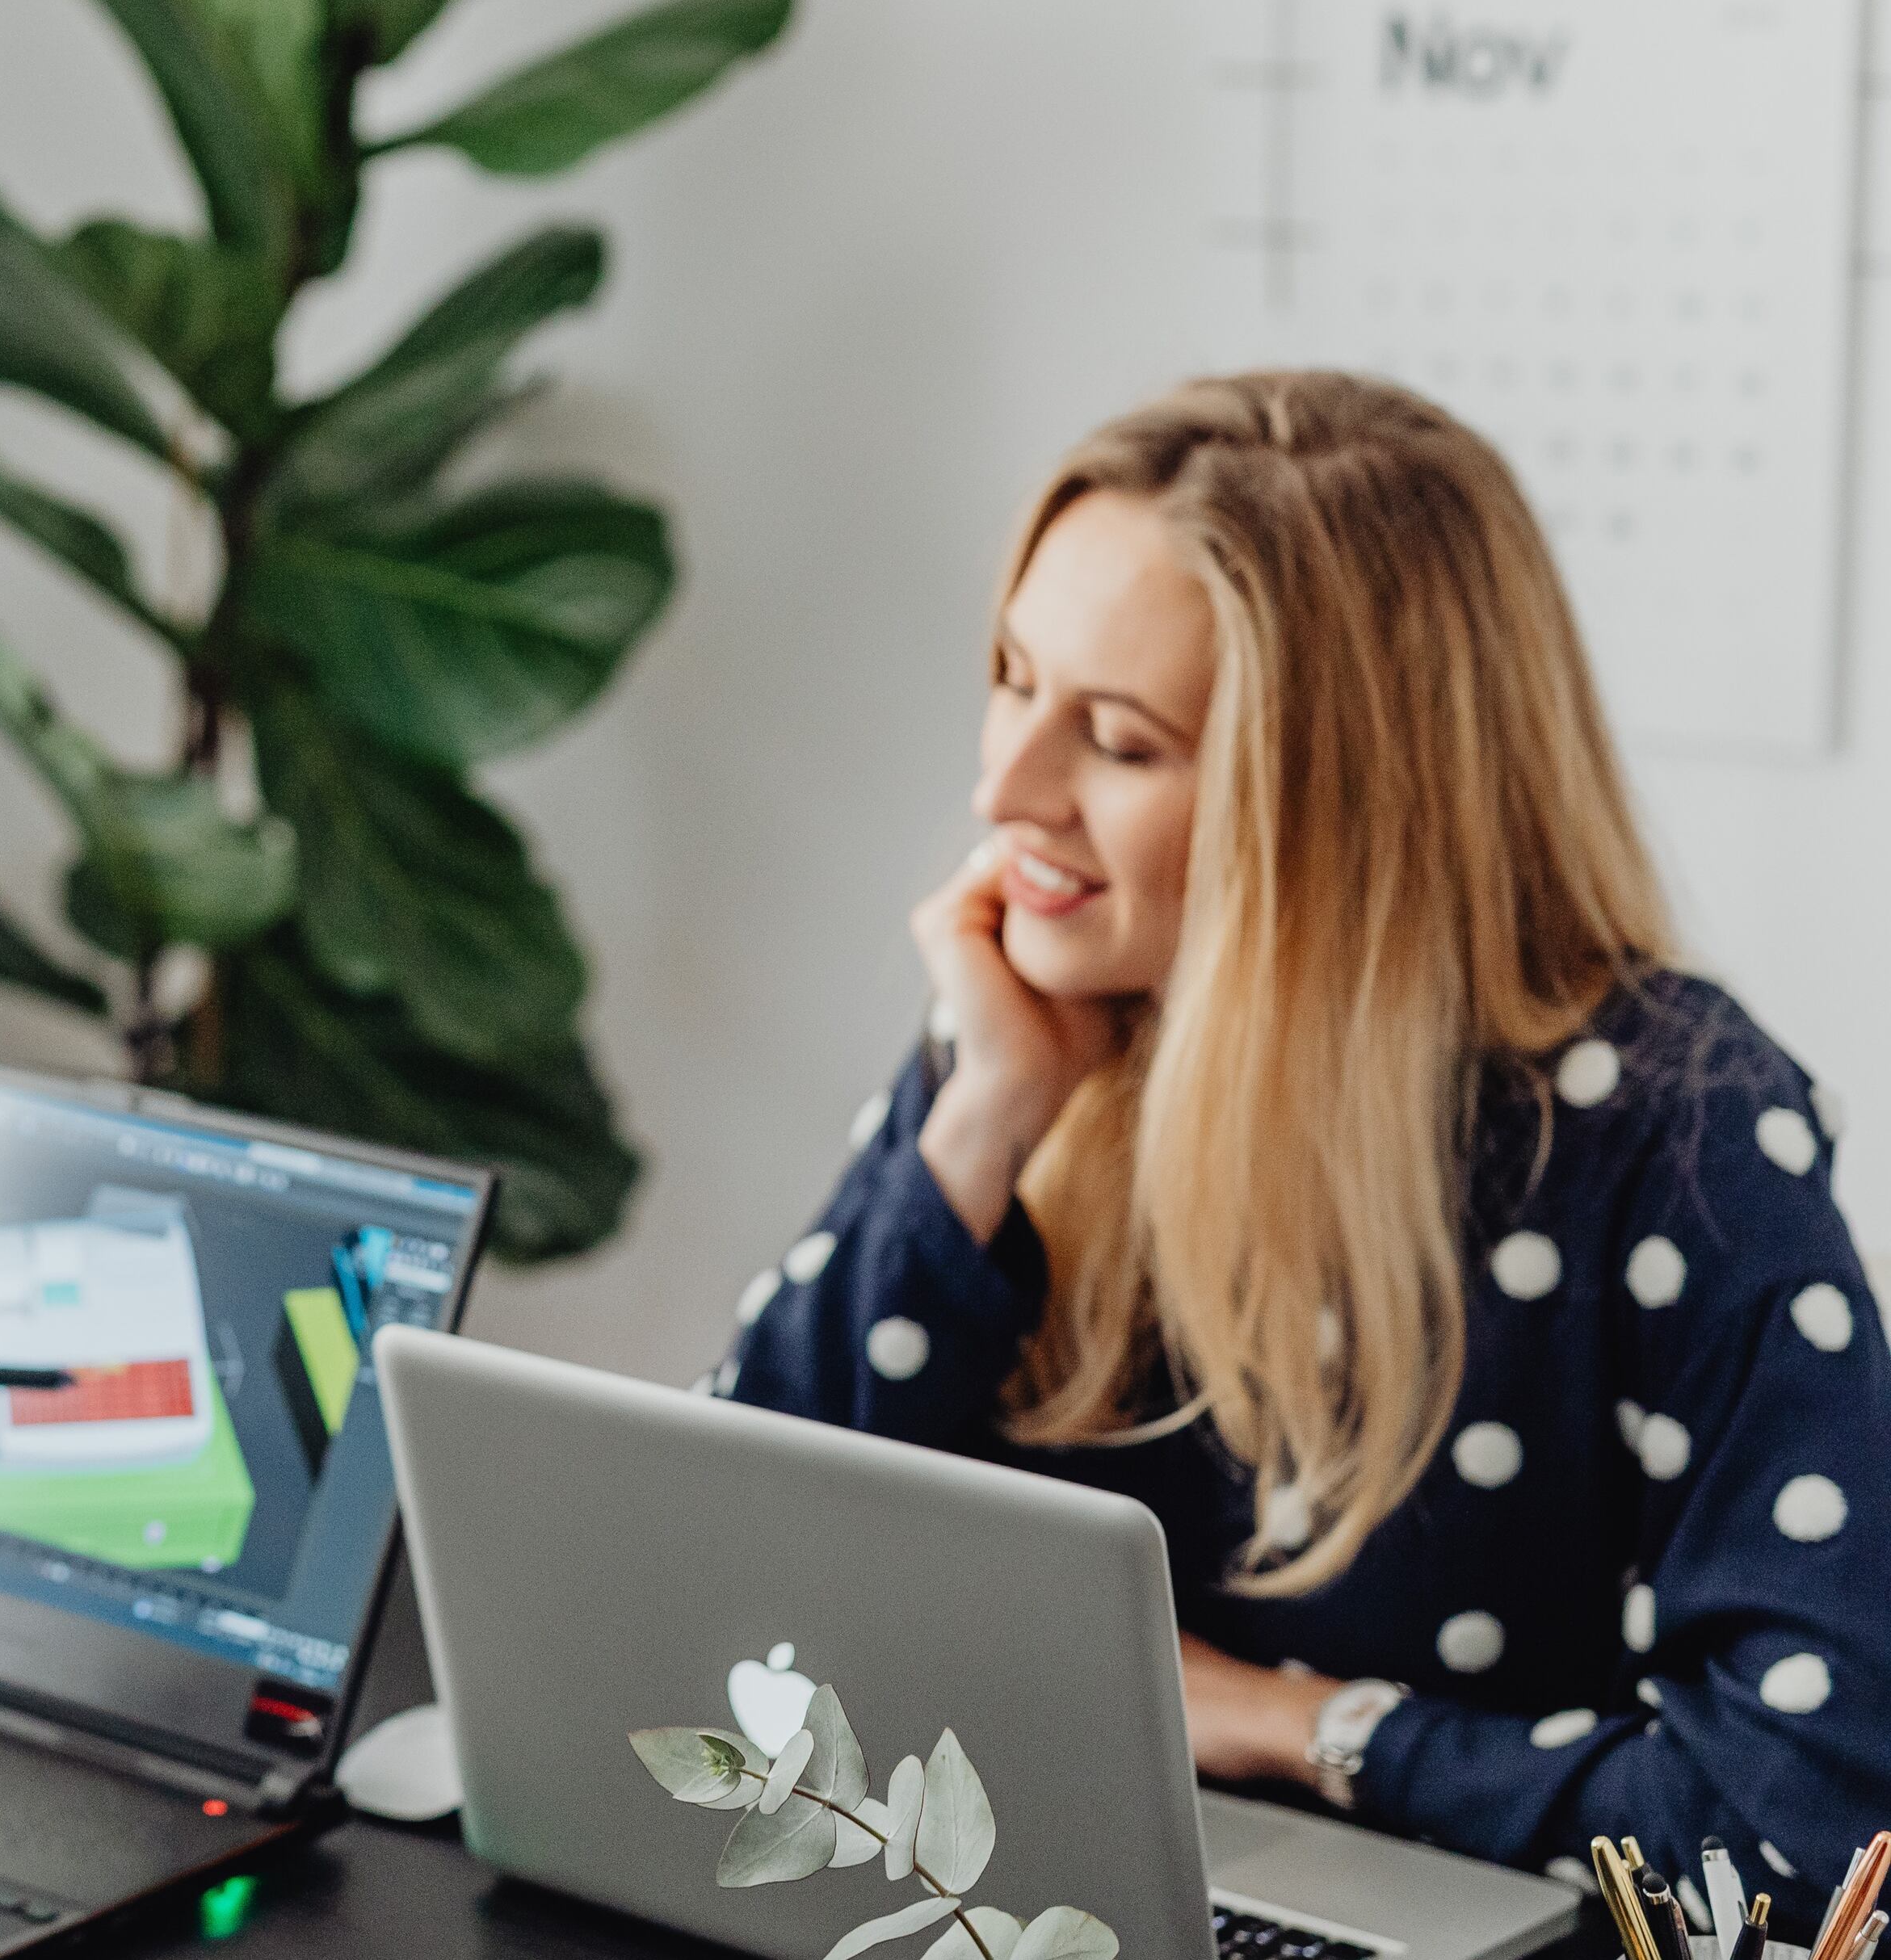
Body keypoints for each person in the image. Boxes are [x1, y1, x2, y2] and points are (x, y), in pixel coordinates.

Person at [719, 373, 1891, 1892]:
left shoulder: (1681, 1137)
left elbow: (1809, 1828)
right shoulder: (1031, 1020)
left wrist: (1295, 1724)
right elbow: (730, 1612)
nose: (1002, 787)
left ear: (1345, 808)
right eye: (1012, 677)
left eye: (1122, 742)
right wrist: (983, 1125)